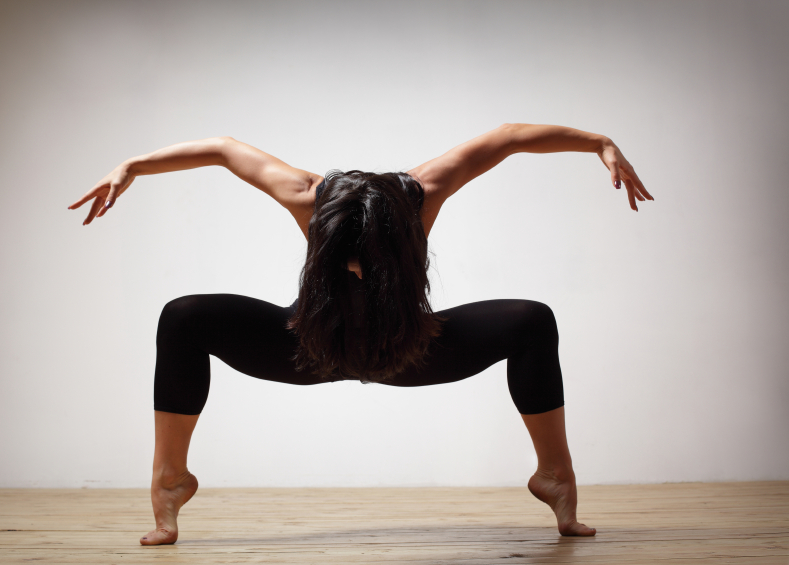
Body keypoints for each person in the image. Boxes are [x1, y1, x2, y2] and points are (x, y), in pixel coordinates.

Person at [68, 123, 652, 545]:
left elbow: (510, 137)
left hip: (410, 350)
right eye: (343, 261)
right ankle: (171, 479)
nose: (355, 272)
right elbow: (222, 149)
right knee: (183, 315)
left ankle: (554, 475)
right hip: (309, 347)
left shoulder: (422, 193)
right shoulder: (305, 195)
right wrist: (133, 166)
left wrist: (599, 142)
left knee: (531, 318)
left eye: (366, 263)